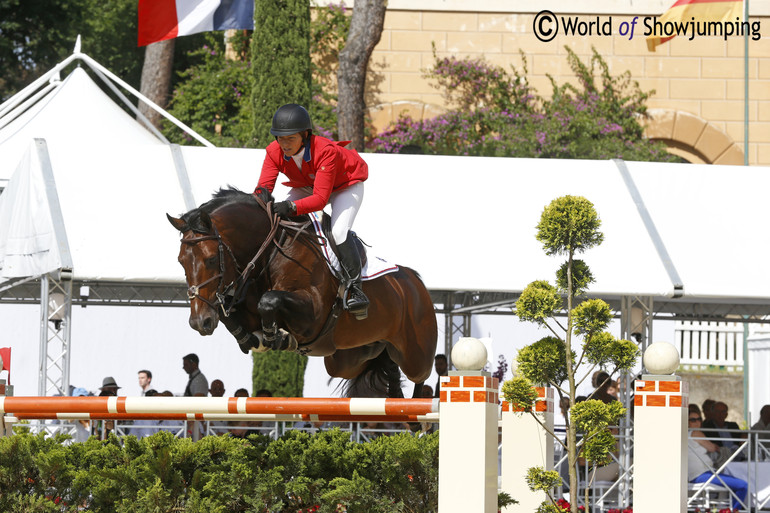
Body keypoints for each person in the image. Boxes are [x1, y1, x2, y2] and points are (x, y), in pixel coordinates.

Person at [253, 103, 369, 317]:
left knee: (339, 232)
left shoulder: (325, 151)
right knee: (275, 220)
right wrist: (256, 203)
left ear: (305, 135)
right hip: (307, 184)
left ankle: (355, 289)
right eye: (280, 138)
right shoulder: (273, 151)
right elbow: (263, 188)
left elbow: (319, 200)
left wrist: (290, 206)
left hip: (345, 186)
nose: (284, 144)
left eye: (290, 138)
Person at [688, 404, 748, 510]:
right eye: (693, 419)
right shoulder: (696, 433)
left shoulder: (683, 434)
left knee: (729, 484)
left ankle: (723, 509)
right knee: (742, 485)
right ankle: (733, 511)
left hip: (698, 474)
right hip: (702, 475)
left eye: (699, 419)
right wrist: (714, 446)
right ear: (687, 421)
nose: (697, 422)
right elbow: (712, 448)